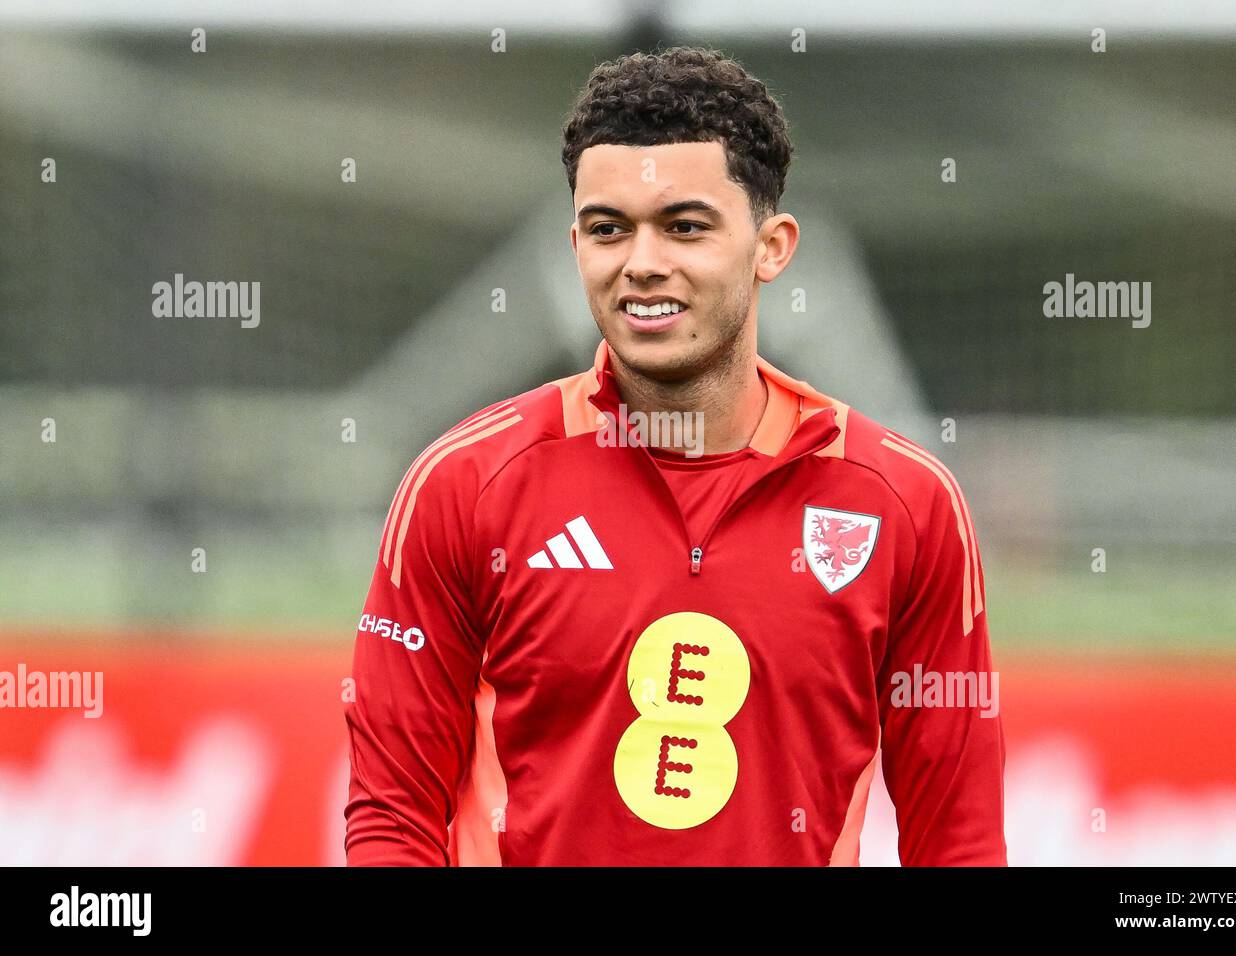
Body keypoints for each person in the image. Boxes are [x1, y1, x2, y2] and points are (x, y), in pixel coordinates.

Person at [344, 46, 1006, 866]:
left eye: (684, 226)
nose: (642, 263)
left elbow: (960, 843)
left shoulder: (902, 502)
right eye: (607, 229)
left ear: (772, 247)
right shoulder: (465, 486)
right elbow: (391, 822)